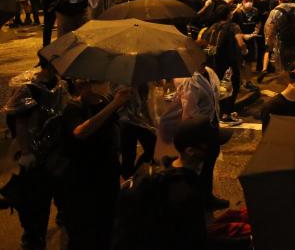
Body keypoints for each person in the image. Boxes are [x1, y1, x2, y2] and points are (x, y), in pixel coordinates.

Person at [113, 118, 212, 250]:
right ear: (190, 151)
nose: (215, 148)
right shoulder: (187, 192)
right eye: (210, 145)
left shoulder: (156, 168)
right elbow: (194, 240)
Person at [2, 63, 68, 250]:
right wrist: (26, 152)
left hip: (55, 154)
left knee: (59, 191)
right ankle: (33, 238)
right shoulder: (29, 88)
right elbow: (20, 122)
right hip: (35, 156)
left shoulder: (60, 85)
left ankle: (61, 215)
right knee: (35, 203)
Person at [60, 80, 131, 250]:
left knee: (107, 224)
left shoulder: (105, 101)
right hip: (83, 179)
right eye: (97, 82)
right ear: (83, 86)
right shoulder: (73, 108)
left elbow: (113, 131)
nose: (104, 84)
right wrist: (115, 104)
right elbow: (81, 132)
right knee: (85, 230)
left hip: (108, 174)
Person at [200, 4, 247, 124]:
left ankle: (215, 112)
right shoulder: (233, 26)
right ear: (228, 15)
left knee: (214, 87)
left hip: (212, 62)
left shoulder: (212, 27)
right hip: (228, 62)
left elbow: (203, 42)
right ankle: (226, 115)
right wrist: (245, 50)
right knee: (232, 87)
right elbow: (240, 43)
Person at [263, 0, 295, 78]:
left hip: (282, 42)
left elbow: (269, 29)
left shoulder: (275, 12)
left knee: (283, 63)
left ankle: (288, 81)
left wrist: (269, 44)